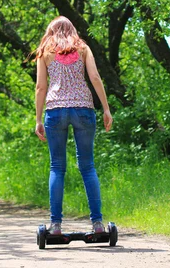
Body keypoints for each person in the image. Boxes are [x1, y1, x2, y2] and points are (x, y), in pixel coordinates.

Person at [34, 16, 113, 235]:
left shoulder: (45, 51)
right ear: (72, 30)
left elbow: (41, 87)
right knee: (87, 166)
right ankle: (98, 224)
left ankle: (56, 225)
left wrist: (38, 119)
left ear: (51, 31)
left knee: (57, 166)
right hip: (83, 109)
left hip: (55, 111)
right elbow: (95, 77)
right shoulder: (83, 48)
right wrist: (106, 109)